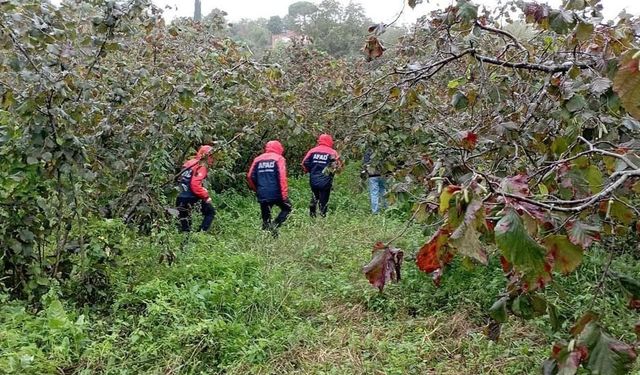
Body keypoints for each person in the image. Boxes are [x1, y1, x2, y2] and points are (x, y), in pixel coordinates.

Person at [247, 140, 292, 235]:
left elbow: (250, 176)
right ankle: (275, 225)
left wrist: (257, 189)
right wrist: (284, 194)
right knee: (287, 208)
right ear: (279, 148)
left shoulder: (257, 159)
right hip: (277, 193)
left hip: (262, 192)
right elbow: (282, 177)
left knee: (266, 217)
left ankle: (266, 236)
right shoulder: (279, 159)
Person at [176, 145, 216, 232]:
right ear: (206, 156)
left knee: (185, 224)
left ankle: (185, 240)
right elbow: (195, 185)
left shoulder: (189, 163)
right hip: (191, 196)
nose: (212, 160)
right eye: (211, 157)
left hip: (180, 196)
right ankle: (201, 233)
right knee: (210, 212)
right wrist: (206, 196)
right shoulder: (201, 166)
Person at [302, 134, 341, 217]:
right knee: (324, 201)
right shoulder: (332, 152)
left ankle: (312, 216)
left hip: (313, 179)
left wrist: (310, 170)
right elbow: (338, 166)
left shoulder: (312, 151)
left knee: (315, 196)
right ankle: (322, 217)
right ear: (330, 141)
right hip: (326, 181)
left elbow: (304, 162)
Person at [363, 149, 387, 214]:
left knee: (374, 193)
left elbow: (365, 164)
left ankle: (375, 211)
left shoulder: (368, 151)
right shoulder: (383, 150)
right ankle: (386, 208)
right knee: (384, 191)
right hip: (383, 174)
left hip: (372, 175)